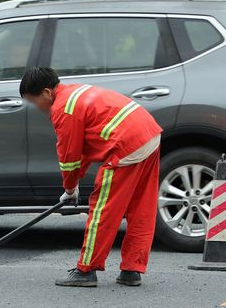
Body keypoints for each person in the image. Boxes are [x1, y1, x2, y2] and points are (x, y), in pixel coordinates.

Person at [19, 67, 162, 287]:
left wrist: (69, 188)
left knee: (103, 209)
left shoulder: (63, 109)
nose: (35, 108)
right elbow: (83, 149)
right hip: (149, 135)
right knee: (141, 207)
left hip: (125, 145)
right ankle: (132, 270)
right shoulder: (75, 93)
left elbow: (69, 157)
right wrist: (73, 186)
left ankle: (86, 270)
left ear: (47, 93)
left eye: (33, 101)